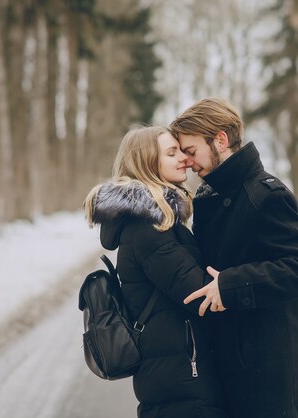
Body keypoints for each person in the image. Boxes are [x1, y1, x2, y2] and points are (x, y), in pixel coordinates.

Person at [169, 98, 298, 418]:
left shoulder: (266, 194)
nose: (187, 162)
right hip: (223, 366)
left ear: (220, 141)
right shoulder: (208, 196)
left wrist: (230, 285)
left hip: (264, 377)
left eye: (191, 150)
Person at [84, 126, 230, 418]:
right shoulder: (148, 227)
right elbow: (197, 292)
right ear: (148, 162)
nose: (184, 160)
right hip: (181, 381)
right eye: (171, 153)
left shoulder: (158, 221)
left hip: (175, 374)